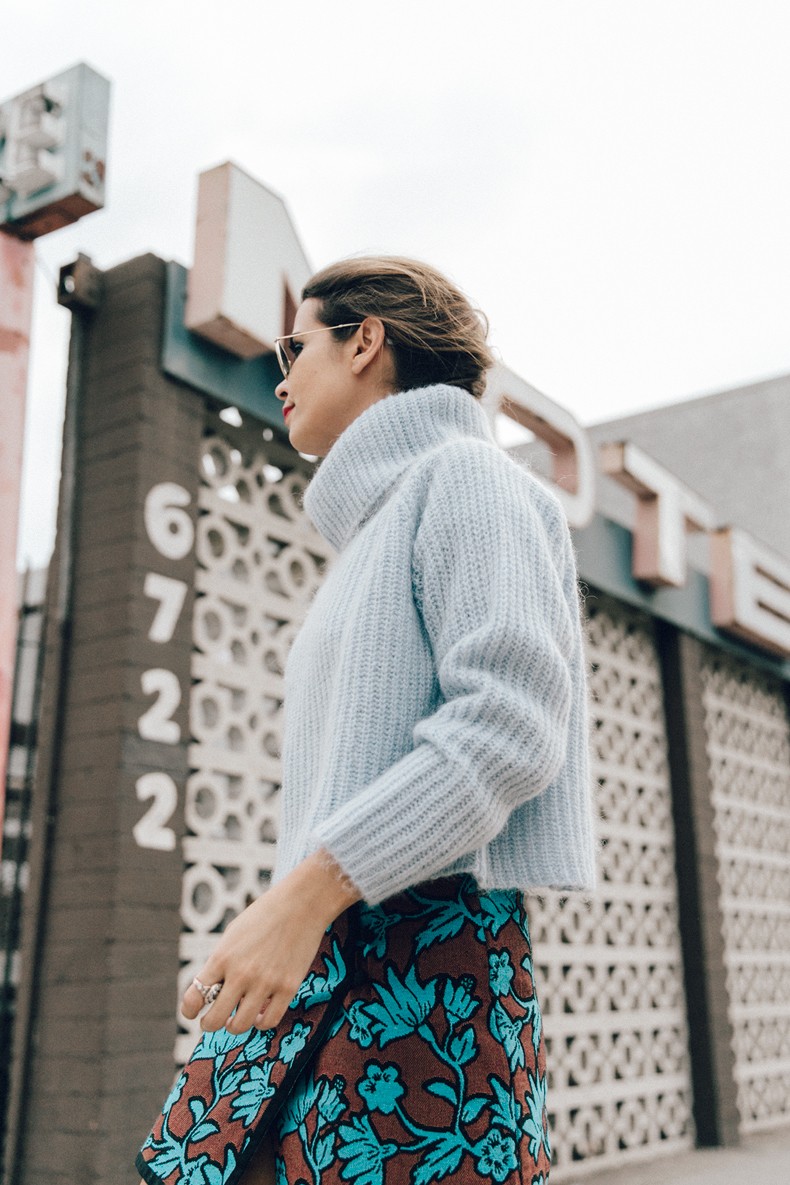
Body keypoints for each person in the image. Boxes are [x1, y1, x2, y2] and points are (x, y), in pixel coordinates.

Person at [137, 257, 597, 1185]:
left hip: (418, 957)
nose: (280, 375)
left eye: (295, 346)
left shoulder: (468, 477)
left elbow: (508, 726)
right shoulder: (373, 532)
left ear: (366, 343)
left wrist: (303, 898)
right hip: (328, 949)